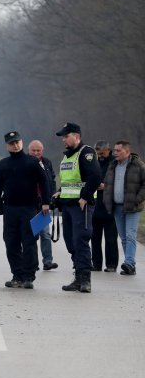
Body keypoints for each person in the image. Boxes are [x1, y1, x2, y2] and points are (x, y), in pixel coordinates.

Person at [0, 131, 51, 289]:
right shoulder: (3, 164)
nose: (15, 145)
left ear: (22, 143)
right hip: (10, 209)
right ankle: (17, 275)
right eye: (12, 143)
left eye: (17, 142)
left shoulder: (32, 162)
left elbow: (44, 181)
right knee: (11, 243)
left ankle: (28, 276)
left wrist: (46, 202)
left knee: (29, 242)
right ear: (7, 146)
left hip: (29, 208)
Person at [53, 122, 102, 293]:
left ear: (77, 136)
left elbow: (96, 176)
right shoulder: (68, 156)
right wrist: (59, 193)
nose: (64, 140)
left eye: (66, 136)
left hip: (81, 206)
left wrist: (85, 197)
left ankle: (85, 280)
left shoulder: (86, 152)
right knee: (70, 242)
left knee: (80, 241)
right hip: (67, 206)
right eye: (63, 137)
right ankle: (78, 276)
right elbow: (69, 182)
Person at [102, 140, 145, 275]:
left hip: (133, 207)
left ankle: (129, 263)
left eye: (118, 150)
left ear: (127, 151)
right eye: (114, 150)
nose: (115, 153)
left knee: (131, 235)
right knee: (124, 237)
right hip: (116, 207)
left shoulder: (138, 165)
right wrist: (107, 200)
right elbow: (108, 184)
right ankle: (129, 264)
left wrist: (136, 200)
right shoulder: (112, 166)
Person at [28, 140, 58, 270]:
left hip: (43, 204)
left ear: (42, 151)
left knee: (45, 233)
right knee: (30, 235)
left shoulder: (47, 163)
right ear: (29, 151)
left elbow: (51, 181)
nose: (36, 153)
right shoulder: (25, 163)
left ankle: (48, 261)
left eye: (38, 150)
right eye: (33, 151)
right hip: (28, 204)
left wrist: (52, 198)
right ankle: (32, 263)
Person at [91, 141, 119, 272]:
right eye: (98, 153)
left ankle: (111, 265)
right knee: (94, 239)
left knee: (111, 239)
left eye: (102, 153)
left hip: (110, 206)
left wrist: (105, 186)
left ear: (109, 150)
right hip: (95, 207)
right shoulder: (93, 162)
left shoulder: (115, 163)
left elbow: (121, 183)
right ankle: (96, 264)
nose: (100, 156)